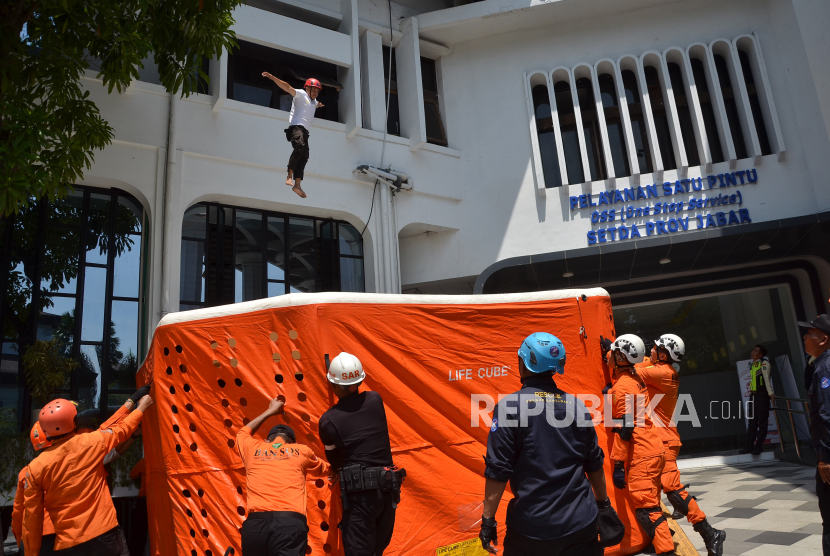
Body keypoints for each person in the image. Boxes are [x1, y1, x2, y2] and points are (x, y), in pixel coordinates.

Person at [480, 333, 618, 556]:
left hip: (533, 528)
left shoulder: (509, 407)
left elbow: (498, 471)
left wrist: (488, 521)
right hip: (582, 522)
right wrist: (603, 504)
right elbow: (594, 463)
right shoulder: (577, 406)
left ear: (523, 362)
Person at [22, 390, 153, 556]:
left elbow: (31, 520)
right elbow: (119, 429)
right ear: (73, 421)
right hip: (104, 534)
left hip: (67, 544)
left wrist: (131, 401)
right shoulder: (89, 442)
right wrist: (140, 408)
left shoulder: (35, 468)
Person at [637, 335, 725, 556]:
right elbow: (644, 362)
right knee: (650, 493)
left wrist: (614, 352)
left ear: (664, 354)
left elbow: (630, 370)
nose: (651, 351)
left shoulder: (662, 372)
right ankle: (659, 535)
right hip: (658, 440)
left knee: (673, 490)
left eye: (655, 348)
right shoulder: (665, 370)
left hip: (663, 440)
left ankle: (710, 533)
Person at [318, 352, 405, 556]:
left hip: (361, 497)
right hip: (387, 489)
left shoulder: (328, 421)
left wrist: (338, 468)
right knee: (377, 550)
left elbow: (335, 459)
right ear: (359, 380)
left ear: (333, 384)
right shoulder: (375, 399)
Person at [607, 334, 675, 556]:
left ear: (619, 357)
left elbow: (624, 428)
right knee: (652, 505)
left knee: (648, 510)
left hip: (641, 455)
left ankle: (667, 552)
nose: (608, 358)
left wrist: (617, 464)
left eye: (612, 355)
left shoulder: (624, 386)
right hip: (653, 448)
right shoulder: (636, 377)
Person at [236, 397, 330, 556]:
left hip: (255, 526)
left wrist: (270, 411)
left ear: (267, 440)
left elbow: (242, 432)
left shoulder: (253, 448)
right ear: (292, 443)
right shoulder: (301, 451)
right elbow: (326, 469)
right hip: (289, 526)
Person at [261, 72, 325, 199]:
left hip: (305, 132)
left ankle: (297, 185)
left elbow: (314, 105)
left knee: (304, 156)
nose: (315, 93)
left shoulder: (313, 102)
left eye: (318, 91)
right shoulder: (301, 94)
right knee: (299, 147)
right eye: (314, 90)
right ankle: (289, 176)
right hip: (296, 127)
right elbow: (287, 87)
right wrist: (272, 77)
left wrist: (319, 105)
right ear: (307, 88)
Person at [802, 315, 830, 556]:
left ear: (823, 339)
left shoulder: (824, 367)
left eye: (810, 333)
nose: (805, 337)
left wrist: (825, 456)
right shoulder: (818, 364)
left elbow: (826, 414)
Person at [12, 422, 56, 556]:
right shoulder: (68, 468)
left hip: (33, 536)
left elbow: (18, 511)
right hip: (62, 533)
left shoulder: (26, 472)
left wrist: (21, 541)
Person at [740, 344, 776, 455]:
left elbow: (766, 379)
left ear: (760, 354)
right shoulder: (754, 364)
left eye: (755, 351)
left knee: (762, 422)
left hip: (762, 395)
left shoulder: (764, 363)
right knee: (752, 422)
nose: (752, 352)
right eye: (753, 350)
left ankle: (758, 446)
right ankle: (749, 446)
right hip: (753, 396)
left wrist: (770, 393)